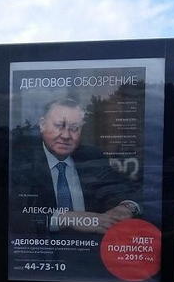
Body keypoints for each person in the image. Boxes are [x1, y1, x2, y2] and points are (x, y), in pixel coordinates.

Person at [11, 96, 139, 235]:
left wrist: (126, 206)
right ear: (42, 125)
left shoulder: (91, 157)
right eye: (59, 126)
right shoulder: (22, 162)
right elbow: (13, 215)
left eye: (74, 128)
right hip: (40, 251)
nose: (66, 135)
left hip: (90, 249)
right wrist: (65, 219)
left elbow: (126, 191)